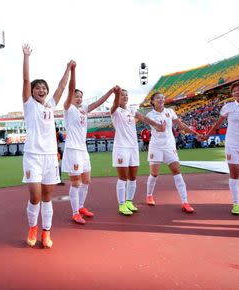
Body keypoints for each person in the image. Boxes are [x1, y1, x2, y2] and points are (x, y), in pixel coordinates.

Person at [22, 44, 73, 248]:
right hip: (33, 155)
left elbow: (61, 87)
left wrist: (68, 69)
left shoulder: (51, 104)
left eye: (43, 87)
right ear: (32, 92)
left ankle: (46, 232)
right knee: (35, 195)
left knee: (47, 196)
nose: (41, 90)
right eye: (37, 88)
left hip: (51, 156)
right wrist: (26, 57)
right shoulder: (29, 104)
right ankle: (33, 227)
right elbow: (26, 79)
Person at [61, 68, 114, 224]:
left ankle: (81, 206)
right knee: (76, 182)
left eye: (80, 97)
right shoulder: (68, 108)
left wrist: (110, 92)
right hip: (73, 150)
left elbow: (98, 103)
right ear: (71, 97)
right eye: (76, 96)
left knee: (87, 181)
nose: (78, 98)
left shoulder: (83, 110)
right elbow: (71, 88)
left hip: (83, 150)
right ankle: (75, 212)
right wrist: (73, 70)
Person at [202, 81, 239, 215]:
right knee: (234, 174)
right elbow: (217, 124)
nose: (236, 93)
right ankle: (236, 203)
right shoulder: (228, 107)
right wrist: (207, 136)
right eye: (234, 91)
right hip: (232, 145)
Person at [110, 88, 165, 216]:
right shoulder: (115, 110)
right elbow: (113, 105)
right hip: (121, 147)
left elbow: (144, 119)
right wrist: (116, 94)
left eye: (126, 95)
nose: (125, 97)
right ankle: (121, 204)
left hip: (133, 147)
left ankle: (129, 201)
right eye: (122, 95)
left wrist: (156, 125)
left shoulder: (131, 109)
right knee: (123, 177)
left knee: (133, 177)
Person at [145, 91, 201, 213]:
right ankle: (149, 195)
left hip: (170, 146)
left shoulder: (170, 112)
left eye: (163, 98)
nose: (161, 100)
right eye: (158, 98)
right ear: (152, 101)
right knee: (154, 174)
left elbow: (181, 125)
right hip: (156, 146)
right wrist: (160, 127)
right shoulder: (150, 115)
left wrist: (196, 134)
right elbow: (157, 128)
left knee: (176, 171)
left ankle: (185, 202)